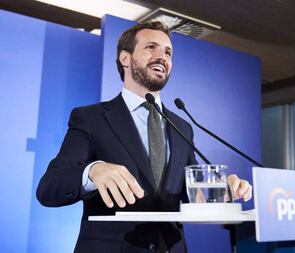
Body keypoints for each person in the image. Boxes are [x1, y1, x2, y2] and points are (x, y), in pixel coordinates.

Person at [36, 21, 252, 253]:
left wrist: (220, 190)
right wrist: (93, 171)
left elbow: (192, 195)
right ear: (125, 59)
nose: (162, 57)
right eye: (151, 47)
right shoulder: (91, 118)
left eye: (168, 52)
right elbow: (49, 187)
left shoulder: (182, 126)